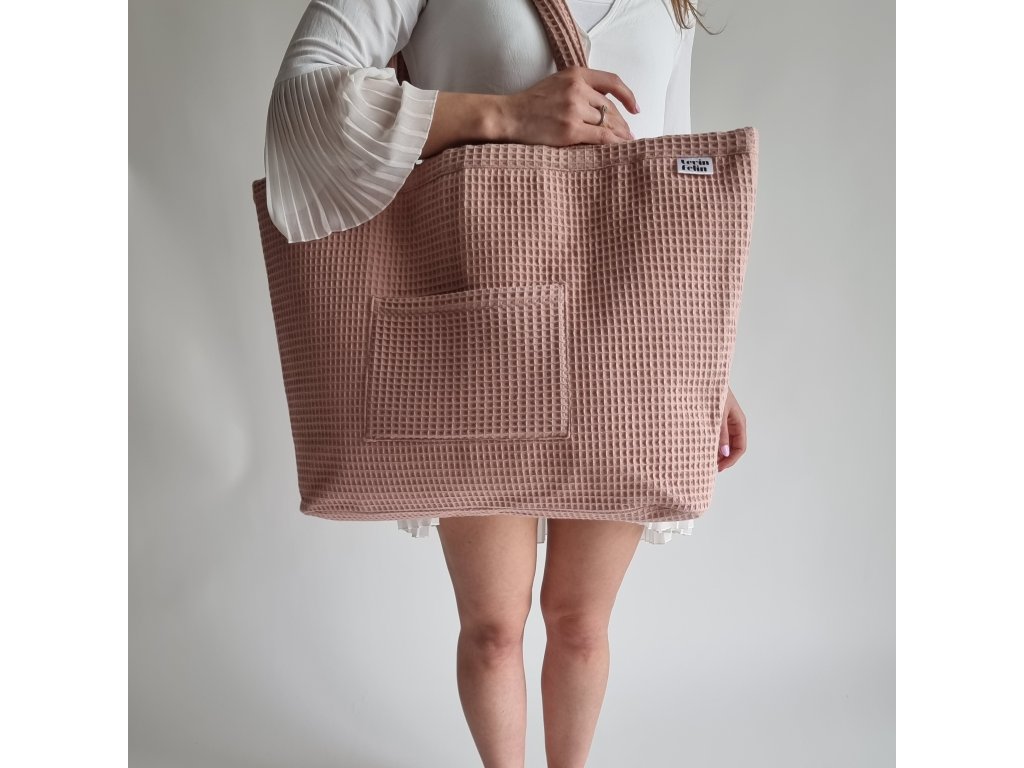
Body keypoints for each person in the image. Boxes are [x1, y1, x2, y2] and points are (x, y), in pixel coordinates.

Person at [264, 1, 747, 764]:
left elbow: (667, 160)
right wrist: (505, 115)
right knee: (492, 632)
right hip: (477, 330)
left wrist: (709, 366)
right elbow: (302, 99)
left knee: (581, 626)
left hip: (625, 335)